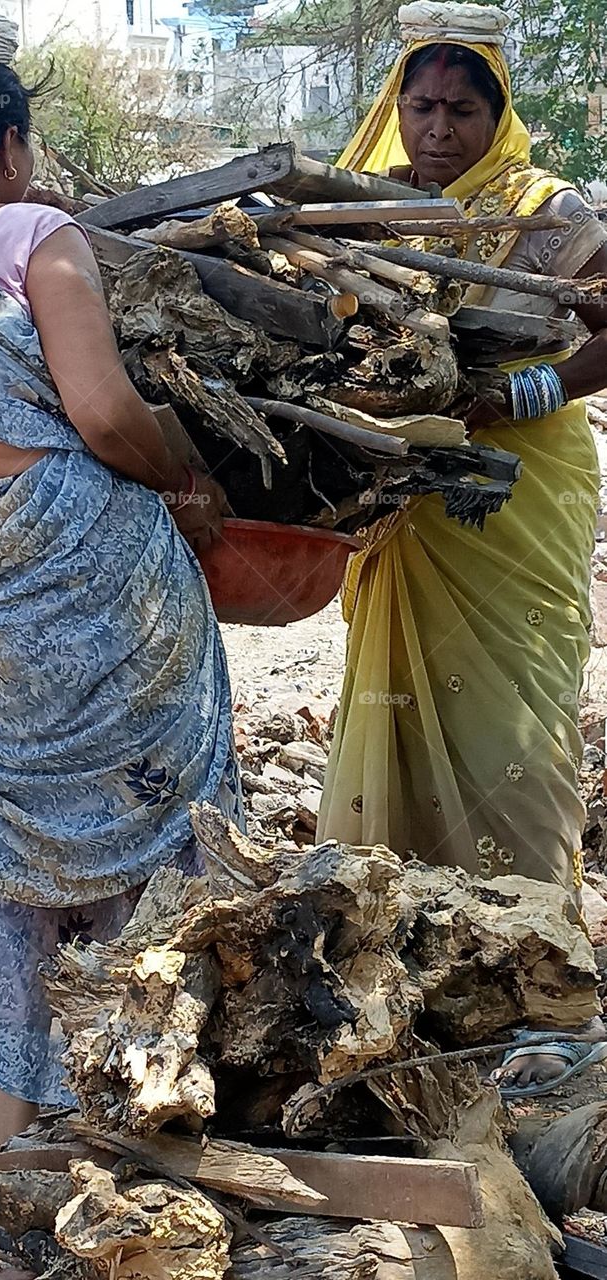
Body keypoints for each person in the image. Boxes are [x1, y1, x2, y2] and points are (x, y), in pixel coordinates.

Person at [0, 0, 241, 1158]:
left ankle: (19, 1135)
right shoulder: (36, 234)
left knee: (5, 852)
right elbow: (101, 413)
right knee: (159, 823)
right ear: (9, 145)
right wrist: (185, 475)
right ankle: (158, 1100)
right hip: (97, 569)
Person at [318, 0, 607, 1095]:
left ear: (498, 113)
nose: (436, 129)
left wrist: (527, 390)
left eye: (460, 110)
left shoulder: (542, 211)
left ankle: (543, 988)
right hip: (410, 503)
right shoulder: (364, 205)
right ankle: (412, 981)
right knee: (396, 712)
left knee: (516, 729)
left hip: (516, 496)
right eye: (420, 105)